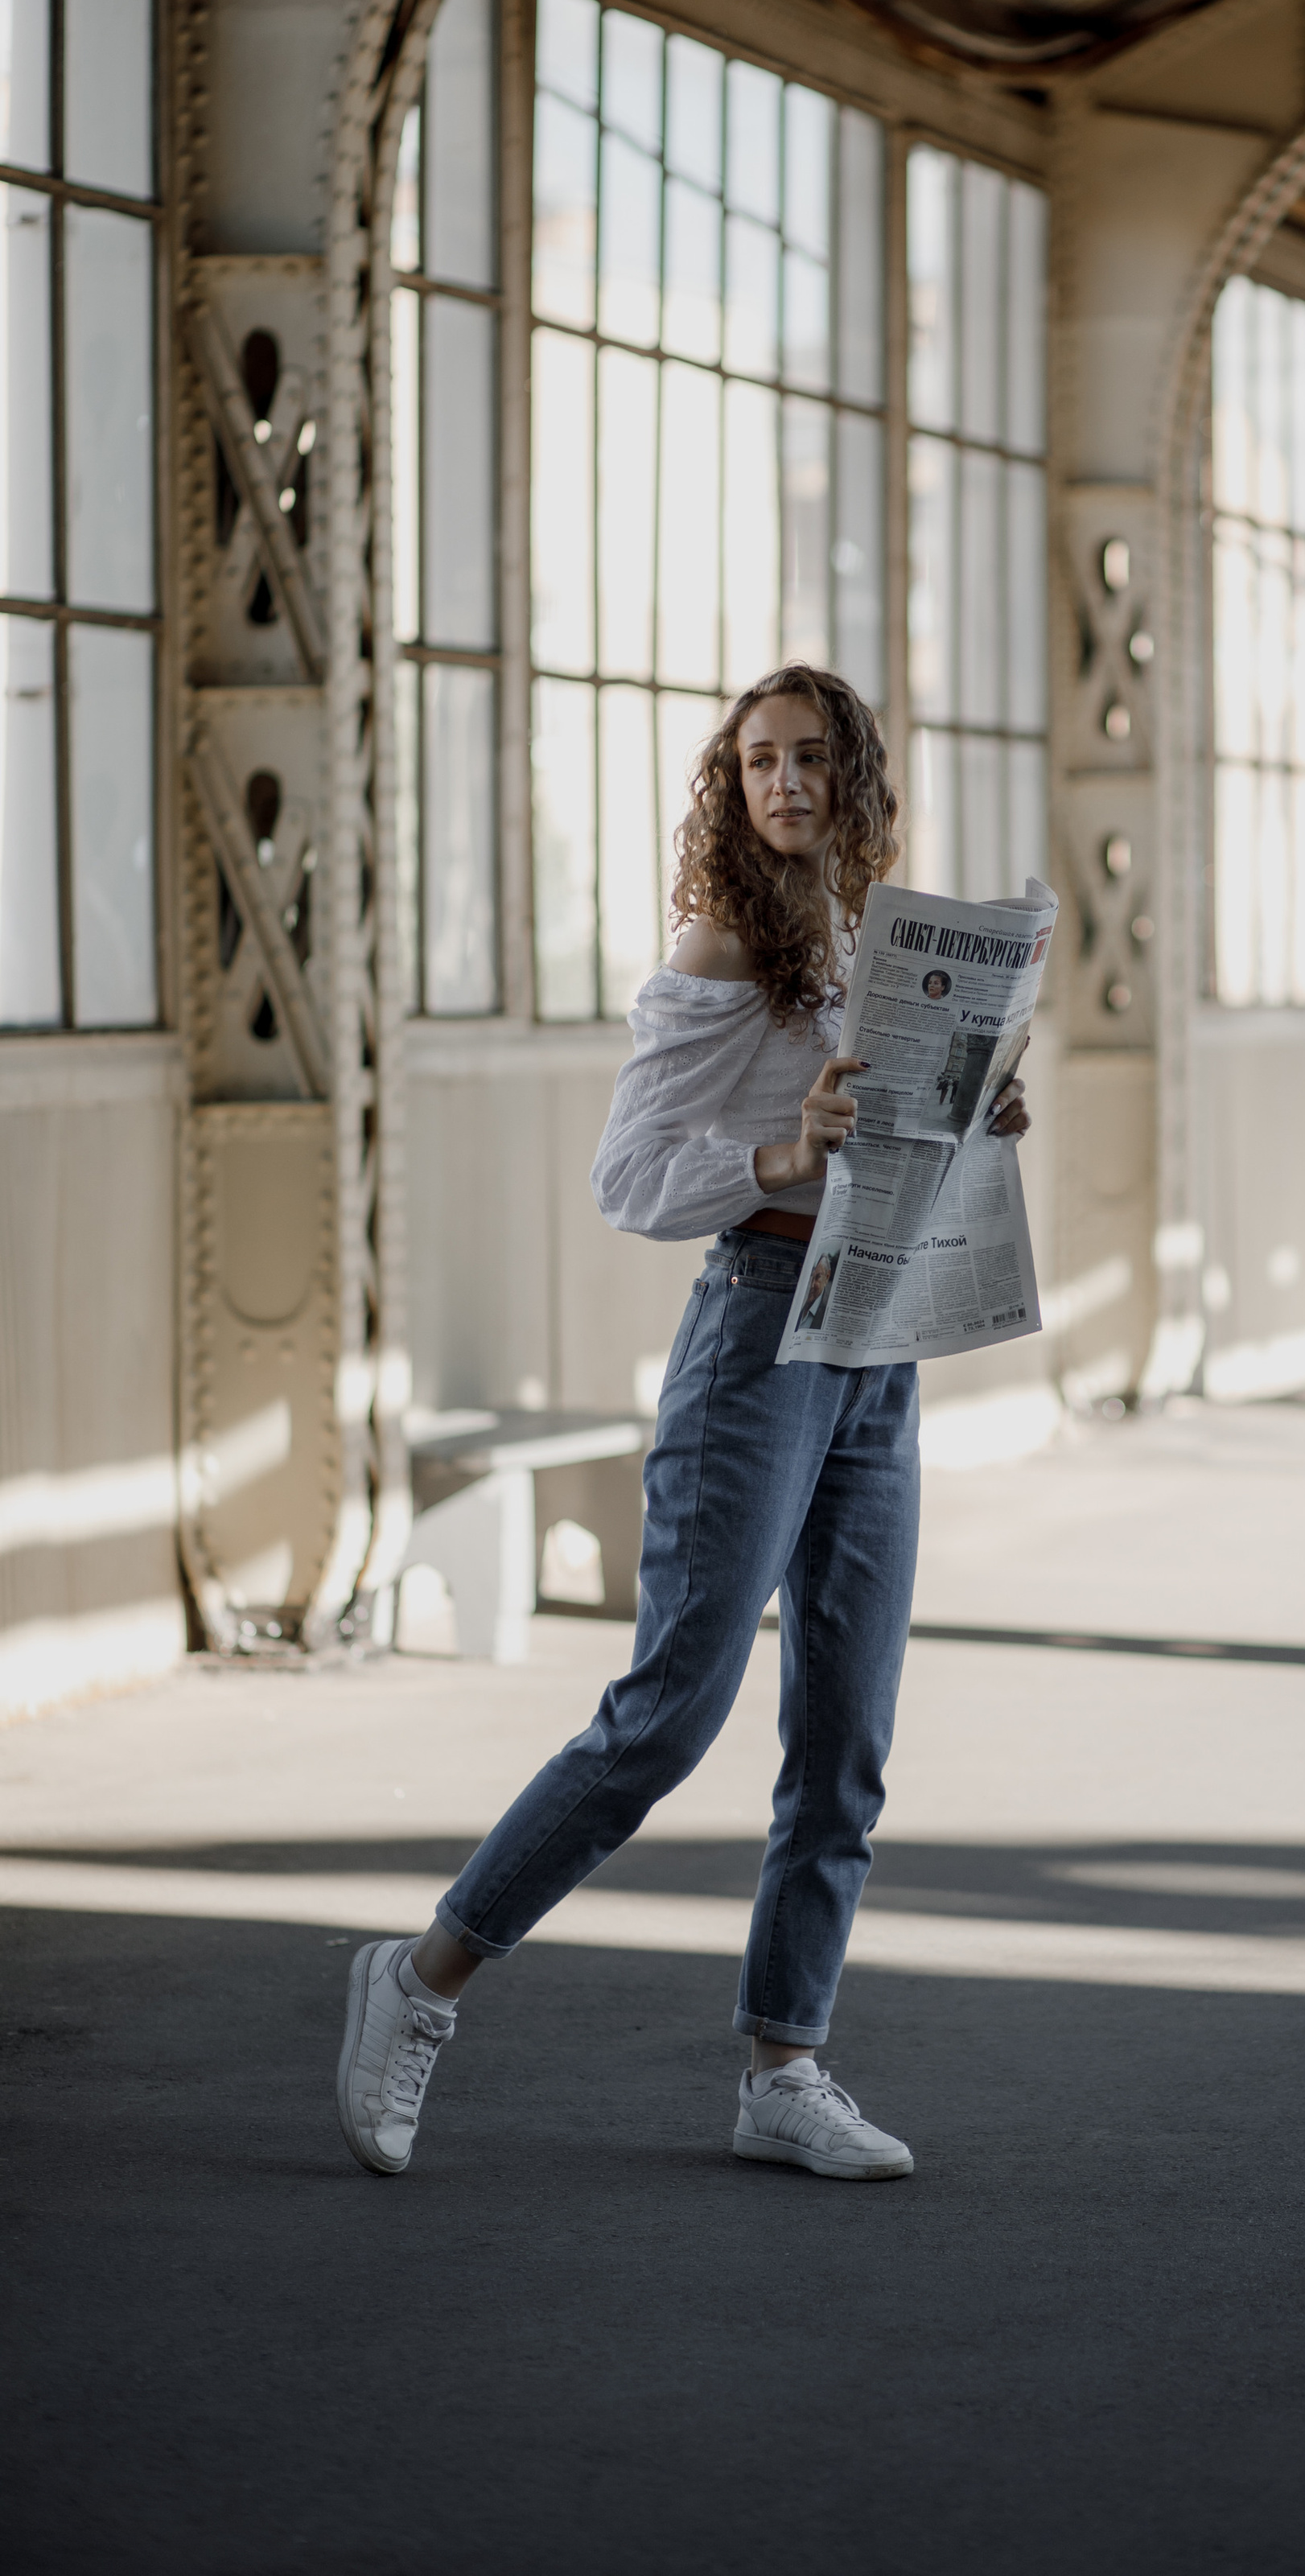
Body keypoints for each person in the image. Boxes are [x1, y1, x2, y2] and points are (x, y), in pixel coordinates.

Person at [336, 664, 1029, 2184]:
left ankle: (787, 2066)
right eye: (759, 761)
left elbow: (891, 1132)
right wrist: (787, 1144)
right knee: (670, 1713)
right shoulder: (722, 949)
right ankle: (423, 1980)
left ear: (855, 774)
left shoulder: (880, 938)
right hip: (757, 1339)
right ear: (736, 784)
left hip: (877, 1341)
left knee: (845, 1737)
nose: (785, 783)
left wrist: (978, 1108)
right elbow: (629, 1177)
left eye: (809, 758)